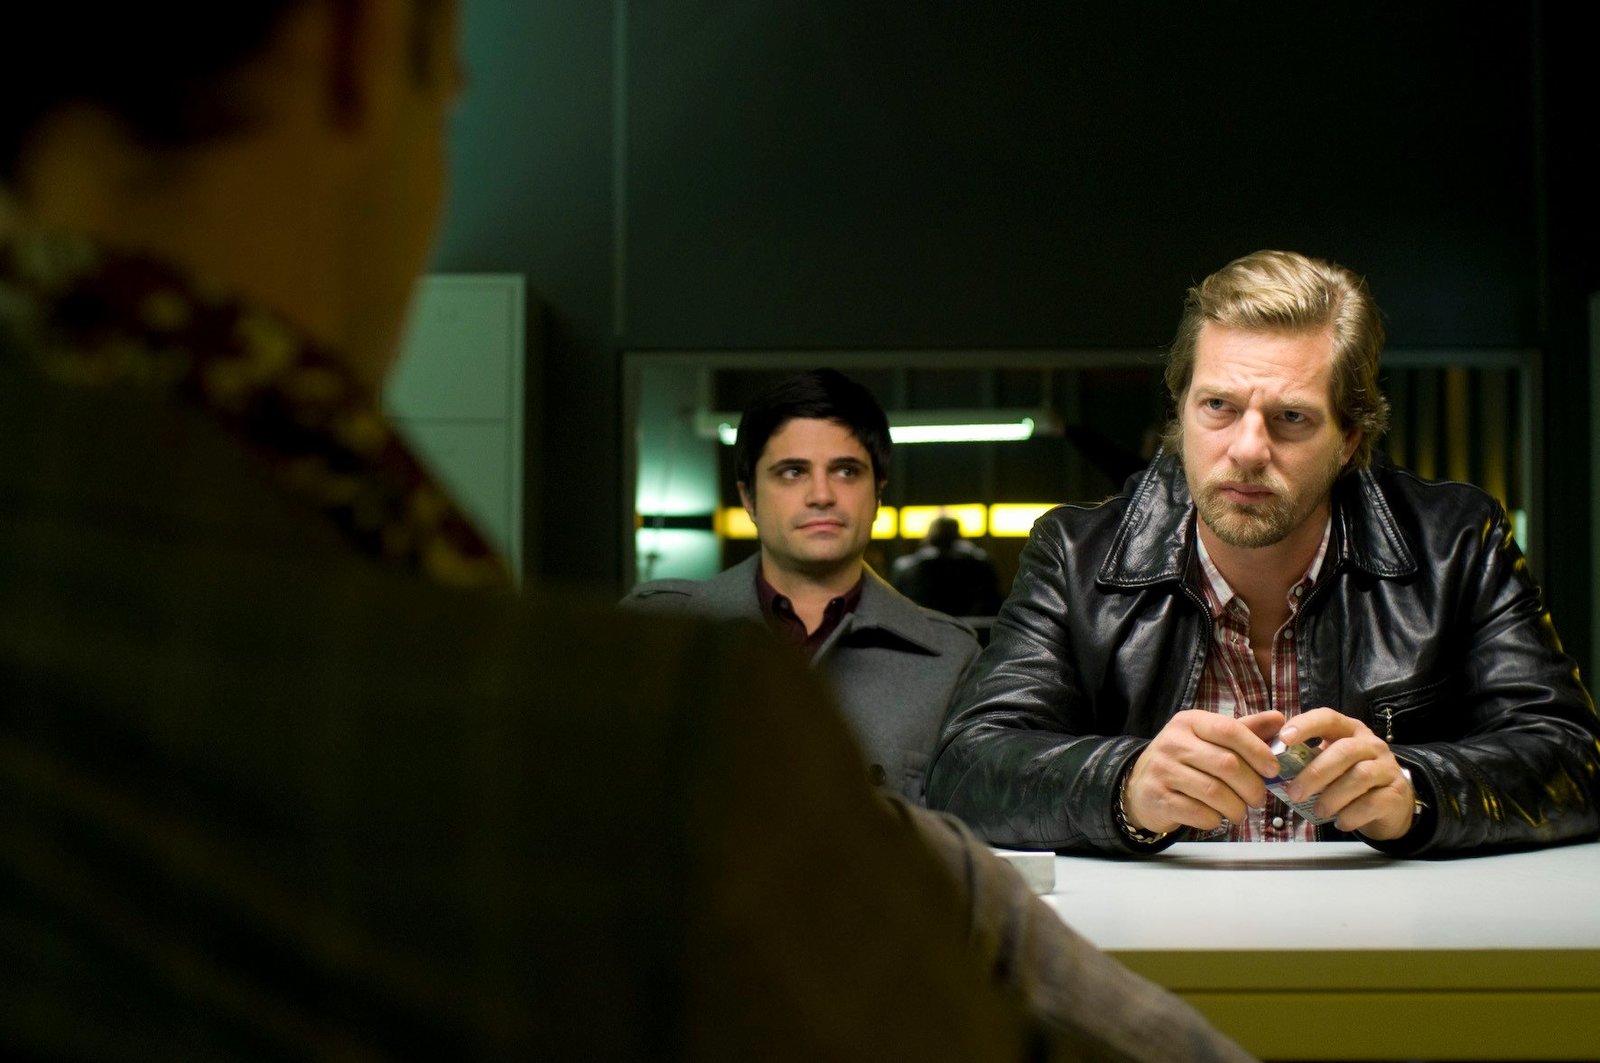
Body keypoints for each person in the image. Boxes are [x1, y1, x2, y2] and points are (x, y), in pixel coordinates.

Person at [0, 2, 1254, 1059]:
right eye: (448, 96)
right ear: (355, 48)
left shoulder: (873, 671)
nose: (819, 495)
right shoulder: (637, 724)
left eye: (844, 471)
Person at [929, 249, 1600, 857]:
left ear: (1349, 439)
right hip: (1154, 940)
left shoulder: (1456, 544)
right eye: (1218, 406)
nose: (1248, 449)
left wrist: (1415, 790)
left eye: (1292, 417)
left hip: (1385, 939)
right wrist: (1124, 785)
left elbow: (1575, 760)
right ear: (1181, 413)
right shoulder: (1076, 556)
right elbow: (965, 771)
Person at [625, 369, 980, 803]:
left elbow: (971, 832)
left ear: (877, 494)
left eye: (846, 471)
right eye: (793, 472)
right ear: (749, 498)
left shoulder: (950, 661)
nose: (821, 495)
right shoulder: (659, 625)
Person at [892, 514, 1004, 619]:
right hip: (972, 627)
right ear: (958, 534)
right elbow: (992, 603)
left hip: (923, 626)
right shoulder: (982, 563)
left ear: (930, 536)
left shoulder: (907, 566)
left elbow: (898, 604)